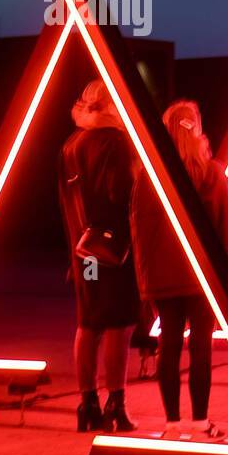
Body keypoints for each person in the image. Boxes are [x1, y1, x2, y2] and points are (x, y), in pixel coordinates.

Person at [131, 100, 228, 442]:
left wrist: (145, 282)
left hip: (164, 276)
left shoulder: (148, 174)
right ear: (196, 127)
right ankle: (200, 420)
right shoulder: (212, 173)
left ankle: (171, 423)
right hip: (203, 277)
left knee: (168, 345)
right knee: (200, 346)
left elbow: (140, 231)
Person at [57, 80, 140, 432]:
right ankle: (115, 404)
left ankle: (86, 402)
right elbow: (119, 194)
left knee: (88, 324)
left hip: (82, 249)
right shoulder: (117, 143)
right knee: (119, 326)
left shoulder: (70, 146)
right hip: (114, 249)